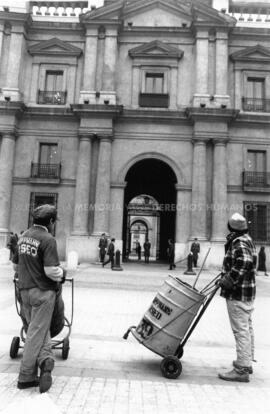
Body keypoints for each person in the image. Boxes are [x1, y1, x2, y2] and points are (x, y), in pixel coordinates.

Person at [12, 204, 66, 393]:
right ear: (51, 222)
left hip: (24, 291)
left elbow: (15, 266)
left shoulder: (23, 236)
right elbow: (51, 271)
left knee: (38, 330)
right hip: (43, 293)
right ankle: (26, 376)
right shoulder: (48, 239)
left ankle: (45, 361)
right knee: (36, 332)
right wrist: (62, 273)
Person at [218, 212, 257, 383]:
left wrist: (228, 279)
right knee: (246, 328)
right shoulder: (247, 239)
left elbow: (244, 262)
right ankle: (246, 362)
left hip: (238, 293)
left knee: (240, 330)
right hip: (246, 292)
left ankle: (241, 370)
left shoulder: (239, 242)